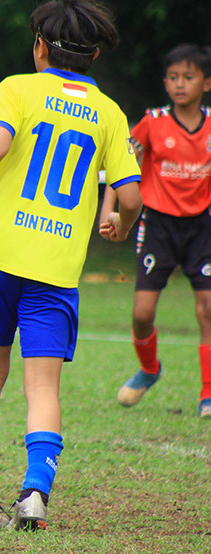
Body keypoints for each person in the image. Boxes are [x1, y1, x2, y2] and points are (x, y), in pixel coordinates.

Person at [0, 0, 142, 530]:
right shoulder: (109, 113)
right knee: (44, 385)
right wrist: (119, 226)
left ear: (38, 48)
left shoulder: (17, 89)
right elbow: (131, 198)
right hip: (55, 268)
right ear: (94, 55)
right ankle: (34, 495)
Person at [104, 44, 211, 417]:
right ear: (165, 82)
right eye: (173, 77)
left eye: (189, 77)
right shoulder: (152, 122)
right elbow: (120, 165)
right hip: (159, 226)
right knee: (142, 313)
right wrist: (110, 211)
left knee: (208, 308)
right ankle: (150, 369)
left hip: (202, 227)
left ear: (206, 82)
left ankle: (208, 394)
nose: (180, 84)